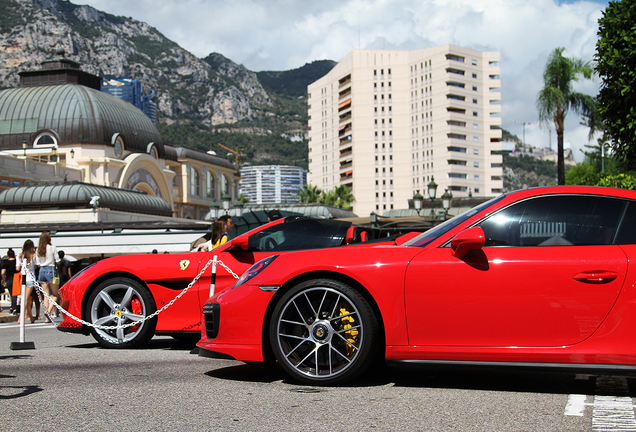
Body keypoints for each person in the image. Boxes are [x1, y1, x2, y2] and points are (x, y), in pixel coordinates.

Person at [36, 231, 59, 323]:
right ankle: (48, 311)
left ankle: (46, 315)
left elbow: (38, 264)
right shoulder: (52, 248)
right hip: (51, 270)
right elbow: (58, 260)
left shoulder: (39, 249)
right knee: (55, 294)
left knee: (45, 295)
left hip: (42, 270)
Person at [16, 240, 37, 323]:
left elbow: (17, 268)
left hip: (22, 278)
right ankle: (21, 317)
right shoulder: (33, 256)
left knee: (26, 298)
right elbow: (35, 267)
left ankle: (30, 316)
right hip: (30, 278)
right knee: (26, 298)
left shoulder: (20, 256)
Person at [2, 248, 17, 315]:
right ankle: (14, 307)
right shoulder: (16, 261)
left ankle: (12, 307)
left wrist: (4, 279)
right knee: (15, 294)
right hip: (16, 278)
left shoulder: (6, 263)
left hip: (9, 279)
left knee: (11, 294)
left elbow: (2, 272)